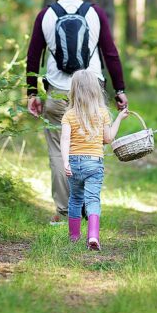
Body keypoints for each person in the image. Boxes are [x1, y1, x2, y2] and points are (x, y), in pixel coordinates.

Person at [26, 0, 128, 225]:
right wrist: (120, 90)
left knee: (59, 152)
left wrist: (31, 93)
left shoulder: (46, 15)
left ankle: (64, 211)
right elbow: (110, 53)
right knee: (93, 145)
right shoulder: (95, 13)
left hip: (58, 92)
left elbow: (33, 56)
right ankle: (88, 202)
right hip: (92, 90)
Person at [60, 70, 129, 250]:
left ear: (73, 90)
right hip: (94, 162)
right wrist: (120, 118)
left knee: (75, 199)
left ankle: (74, 237)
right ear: (95, 89)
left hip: (73, 163)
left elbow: (65, 139)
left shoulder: (69, 115)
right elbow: (108, 139)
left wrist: (65, 162)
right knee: (92, 200)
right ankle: (93, 236)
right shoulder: (102, 113)